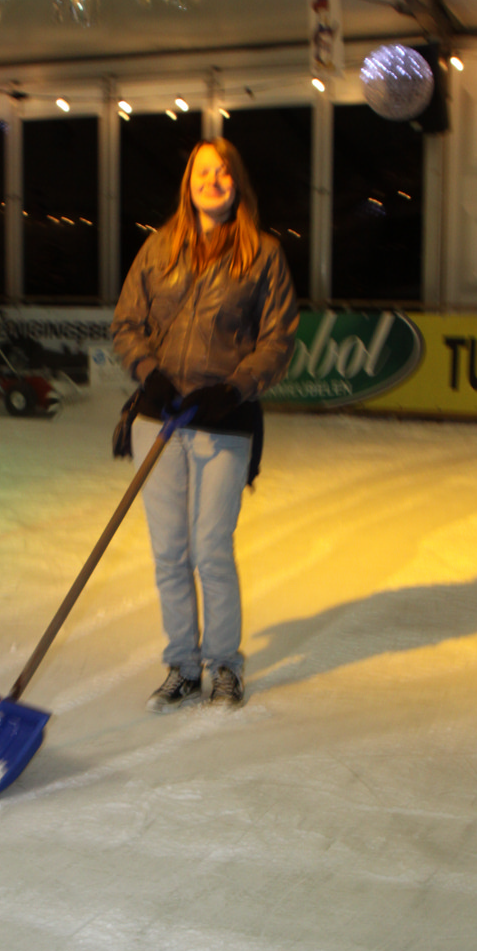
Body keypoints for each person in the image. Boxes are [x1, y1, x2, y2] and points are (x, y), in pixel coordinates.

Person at [112, 138, 299, 710]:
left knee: (210, 549)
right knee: (170, 553)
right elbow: (126, 324)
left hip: (223, 420)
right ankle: (182, 666)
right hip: (159, 419)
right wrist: (150, 374)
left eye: (221, 173)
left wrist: (233, 388)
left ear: (237, 183)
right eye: (201, 172)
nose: (211, 181)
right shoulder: (159, 247)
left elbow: (278, 339)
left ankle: (224, 666)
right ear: (187, 182)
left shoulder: (263, 254)